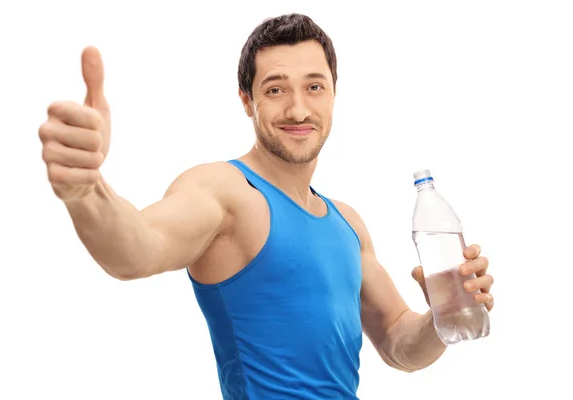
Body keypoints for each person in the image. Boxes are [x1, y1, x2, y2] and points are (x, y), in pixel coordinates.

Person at [38, 13, 495, 400]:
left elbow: (398, 343)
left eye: (314, 87)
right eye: (275, 90)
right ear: (247, 101)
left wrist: (445, 313)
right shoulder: (225, 191)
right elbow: (137, 249)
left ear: (334, 93)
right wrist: (86, 189)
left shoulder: (348, 223)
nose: (298, 109)